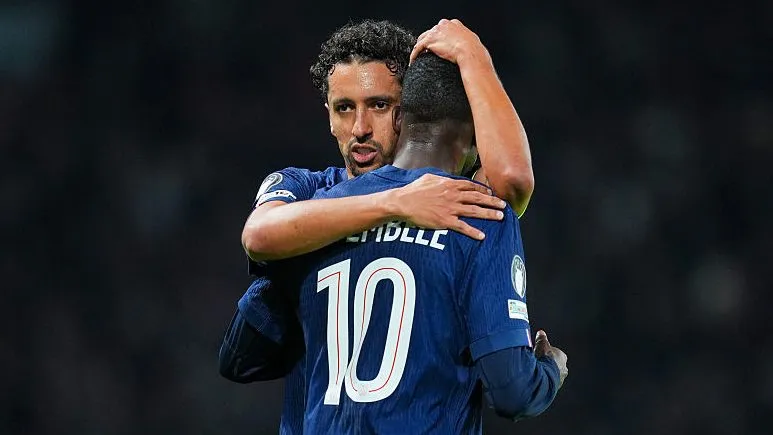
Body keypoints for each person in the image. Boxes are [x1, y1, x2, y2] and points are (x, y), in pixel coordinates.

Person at [219, 18, 539, 433]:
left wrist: (471, 57)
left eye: (379, 105)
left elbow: (512, 180)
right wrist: (395, 203)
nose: (360, 129)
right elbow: (258, 237)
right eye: (344, 108)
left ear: (410, 112)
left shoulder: (449, 200)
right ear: (329, 116)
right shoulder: (308, 189)